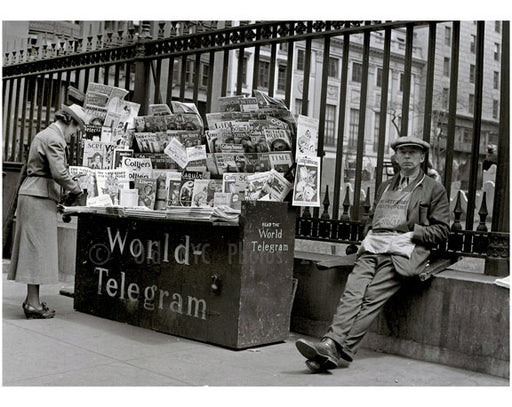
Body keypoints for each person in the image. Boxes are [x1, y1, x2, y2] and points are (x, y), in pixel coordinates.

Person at [295, 136, 450, 372]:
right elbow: (373, 218)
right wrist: (368, 235)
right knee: (352, 293)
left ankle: (331, 347)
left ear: (421, 158)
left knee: (372, 296)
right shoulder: (385, 186)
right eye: (403, 152)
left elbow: (441, 231)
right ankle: (331, 349)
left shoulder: (433, 188)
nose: (407, 156)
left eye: (412, 152)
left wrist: (411, 235)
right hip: (372, 249)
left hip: (401, 254)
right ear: (396, 158)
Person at [8, 104, 89, 319]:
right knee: (36, 251)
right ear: (70, 121)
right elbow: (59, 172)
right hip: (39, 196)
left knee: (35, 250)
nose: (75, 133)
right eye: (77, 127)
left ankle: (31, 300)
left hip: (35, 194)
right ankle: (33, 304)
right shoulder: (55, 138)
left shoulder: (45, 134)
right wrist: (77, 189)